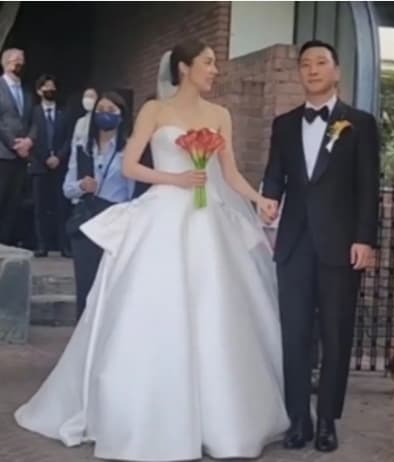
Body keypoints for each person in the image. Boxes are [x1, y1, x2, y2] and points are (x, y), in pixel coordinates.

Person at [14, 40, 289, 461]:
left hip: (208, 219)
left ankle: (221, 418)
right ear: (184, 68)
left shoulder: (220, 115)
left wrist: (259, 199)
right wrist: (176, 180)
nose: (215, 70)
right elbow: (131, 166)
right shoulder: (155, 111)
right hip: (164, 213)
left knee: (216, 307)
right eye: (208, 62)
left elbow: (230, 173)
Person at [261, 40, 380, 453]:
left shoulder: (359, 124)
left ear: (337, 71)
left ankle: (328, 419)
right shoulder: (283, 124)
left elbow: (368, 186)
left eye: (320, 63)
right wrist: (268, 199)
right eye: (305, 64)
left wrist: (365, 238)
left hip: (341, 244)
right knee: (294, 333)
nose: (312, 70)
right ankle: (299, 420)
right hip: (294, 244)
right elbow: (275, 174)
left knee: (336, 332)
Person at [63, 91, 134, 320]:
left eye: (111, 110)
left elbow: (133, 192)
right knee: (86, 283)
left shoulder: (128, 149)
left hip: (115, 220)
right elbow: (67, 188)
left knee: (111, 286)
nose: (105, 115)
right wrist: (81, 186)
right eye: (101, 110)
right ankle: (82, 332)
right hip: (87, 219)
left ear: (121, 116)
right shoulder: (83, 147)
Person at [29, 74, 71, 257]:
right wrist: (45, 157)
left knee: (62, 207)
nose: (50, 90)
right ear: (39, 91)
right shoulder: (33, 113)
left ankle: (64, 246)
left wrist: (59, 157)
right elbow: (31, 138)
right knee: (40, 208)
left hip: (60, 167)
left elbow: (69, 138)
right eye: (46, 86)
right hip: (39, 166)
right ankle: (42, 245)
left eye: (53, 86)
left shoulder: (64, 112)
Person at [0, 48, 36, 245]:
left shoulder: (27, 92)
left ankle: (5, 244)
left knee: (13, 203)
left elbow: (33, 120)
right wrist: (14, 144)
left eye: (23, 60)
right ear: (6, 63)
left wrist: (29, 141)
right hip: (3, 154)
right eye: (17, 60)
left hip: (21, 157)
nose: (21, 64)